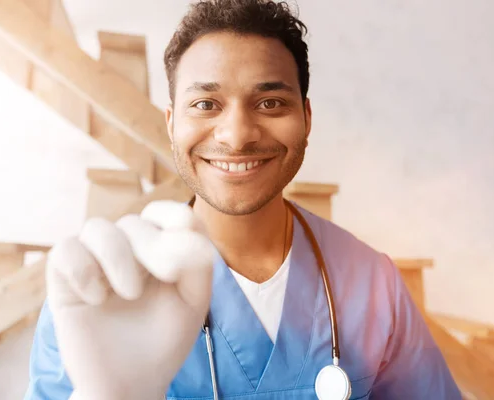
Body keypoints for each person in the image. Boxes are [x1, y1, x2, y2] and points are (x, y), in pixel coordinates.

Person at [24, 0, 462, 399]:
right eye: (205, 104)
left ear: (306, 119)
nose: (236, 136)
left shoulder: (373, 283)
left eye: (270, 102)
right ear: (172, 122)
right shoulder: (99, 290)